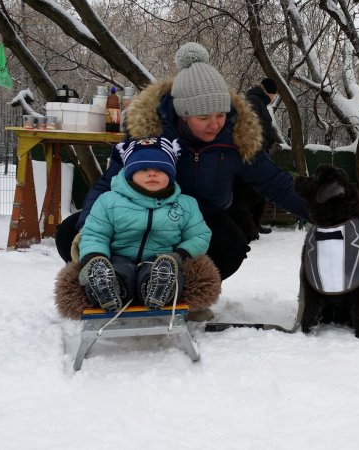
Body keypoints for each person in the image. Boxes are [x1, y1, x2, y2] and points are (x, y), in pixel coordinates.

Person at [56, 42, 309, 319]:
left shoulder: (235, 137)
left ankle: (185, 294)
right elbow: (109, 183)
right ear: (183, 115)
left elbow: (276, 183)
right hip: (140, 210)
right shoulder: (150, 134)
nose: (216, 124)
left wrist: (322, 214)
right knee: (71, 233)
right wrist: (85, 227)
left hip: (201, 217)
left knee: (231, 243)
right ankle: (115, 284)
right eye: (204, 117)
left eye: (221, 115)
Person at [77, 136, 211, 312]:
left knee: (170, 274)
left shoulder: (185, 205)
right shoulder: (109, 201)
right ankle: (108, 288)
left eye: (160, 170)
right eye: (144, 169)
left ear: (170, 175)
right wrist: (94, 258)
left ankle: (157, 289)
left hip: (162, 260)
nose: (152, 174)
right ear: (130, 173)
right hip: (118, 258)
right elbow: (95, 234)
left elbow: (199, 235)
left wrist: (179, 256)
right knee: (119, 273)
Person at [230, 78, 283, 239]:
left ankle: (254, 225)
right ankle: (247, 228)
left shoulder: (259, 101)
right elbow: (252, 128)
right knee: (249, 192)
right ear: (270, 92)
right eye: (274, 94)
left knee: (259, 192)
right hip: (253, 155)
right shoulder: (254, 101)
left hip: (259, 153)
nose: (274, 98)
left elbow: (265, 128)